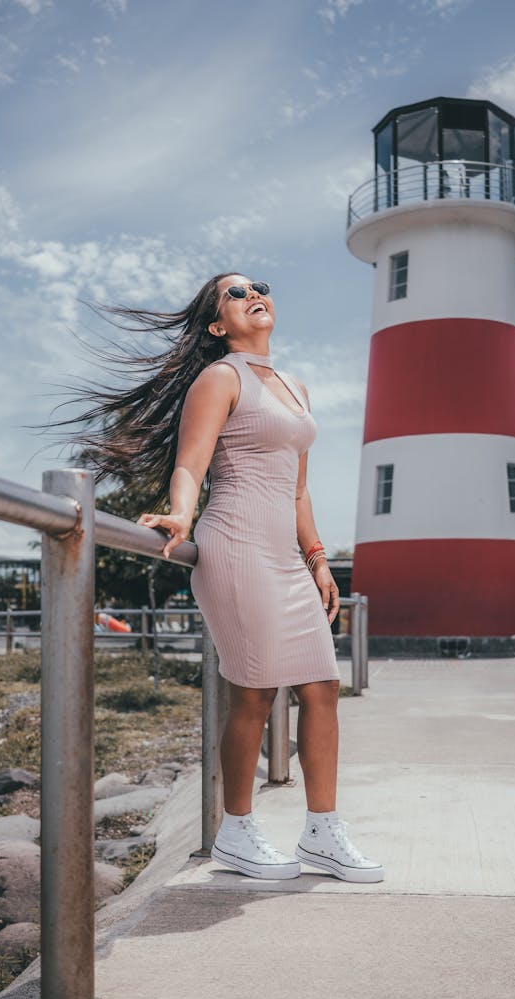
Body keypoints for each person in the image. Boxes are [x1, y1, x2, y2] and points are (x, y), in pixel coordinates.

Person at [75, 272, 383, 883]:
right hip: (235, 546)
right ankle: (236, 833)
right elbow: (191, 464)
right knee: (255, 692)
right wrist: (180, 515)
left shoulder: (294, 386)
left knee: (322, 687)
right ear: (218, 326)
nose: (255, 295)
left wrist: (318, 558)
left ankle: (322, 833)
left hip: (285, 559)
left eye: (260, 286)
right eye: (236, 294)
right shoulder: (219, 378)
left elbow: (298, 489)